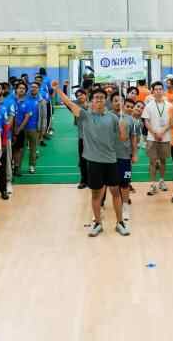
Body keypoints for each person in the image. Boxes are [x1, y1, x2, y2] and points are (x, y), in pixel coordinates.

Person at [53, 81, 130, 237]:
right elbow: (69, 103)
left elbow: (123, 138)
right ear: (91, 101)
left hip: (111, 160)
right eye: (96, 98)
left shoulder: (113, 118)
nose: (99, 100)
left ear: (106, 100)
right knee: (96, 195)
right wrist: (58, 90)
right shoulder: (85, 116)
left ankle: (120, 223)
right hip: (93, 162)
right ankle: (97, 223)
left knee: (116, 192)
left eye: (102, 97)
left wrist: (123, 128)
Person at [142, 81, 172, 196]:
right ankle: (153, 184)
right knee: (152, 161)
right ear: (153, 91)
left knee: (163, 160)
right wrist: (155, 133)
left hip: (165, 137)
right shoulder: (149, 106)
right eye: (156, 89)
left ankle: (162, 181)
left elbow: (171, 121)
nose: (158, 91)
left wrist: (162, 132)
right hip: (152, 138)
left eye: (160, 89)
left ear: (163, 91)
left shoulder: (169, 105)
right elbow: (146, 121)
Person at [111, 95, 139, 222]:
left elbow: (133, 137)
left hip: (125, 157)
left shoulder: (130, 119)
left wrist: (134, 154)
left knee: (125, 183)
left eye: (120, 100)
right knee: (110, 184)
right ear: (111, 102)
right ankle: (100, 207)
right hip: (109, 157)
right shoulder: (107, 117)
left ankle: (125, 206)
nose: (118, 103)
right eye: (115, 101)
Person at [10, 82, 33, 177]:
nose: (21, 89)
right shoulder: (10, 100)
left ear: (26, 91)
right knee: (9, 149)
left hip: (20, 130)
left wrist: (19, 130)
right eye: (20, 88)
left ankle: (17, 168)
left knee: (18, 150)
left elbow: (27, 117)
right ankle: (8, 168)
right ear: (16, 89)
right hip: (8, 130)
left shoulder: (27, 103)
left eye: (23, 88)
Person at [73, 88, 89, 189]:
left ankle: (93, 179)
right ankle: (84, 180)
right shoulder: (76, 107)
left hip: (94, 138)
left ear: (86, 95)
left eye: (81, 94)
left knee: (93, 161)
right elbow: (67, 102)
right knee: (82, 161)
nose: (80, 96)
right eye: (78, 95)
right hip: (82, 138)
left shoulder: (92, 105)